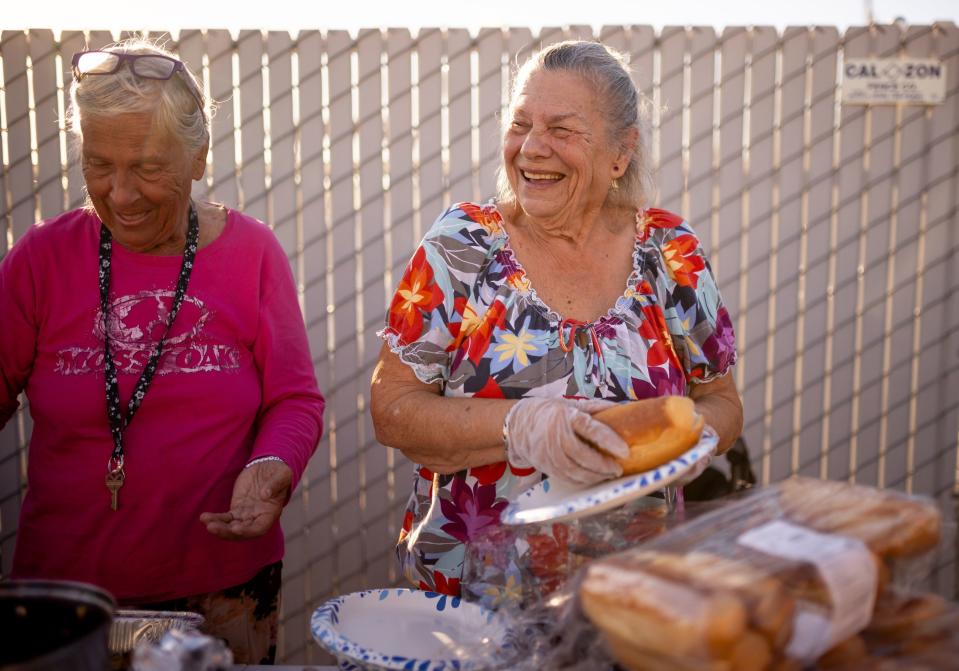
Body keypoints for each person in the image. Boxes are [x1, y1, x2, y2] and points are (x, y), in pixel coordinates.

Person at [370, 40, 743, 598]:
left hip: (629, 593)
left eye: (562, 131)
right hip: (474, 596)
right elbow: (393, 411)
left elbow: (722, 401)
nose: (532, 149)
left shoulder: (669, 250)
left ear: (621, 152)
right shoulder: (461, 246)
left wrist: (694, 443)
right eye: (520, 124)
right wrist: (517, 427)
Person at [0, 39, 325, 664]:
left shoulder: (252, 255)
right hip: (66, 601)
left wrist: (274, 464)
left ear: (198, 155)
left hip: (224, 591)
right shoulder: (39, 262)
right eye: (99, 165)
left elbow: (294, 399)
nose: (120, 195)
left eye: (147, 168)